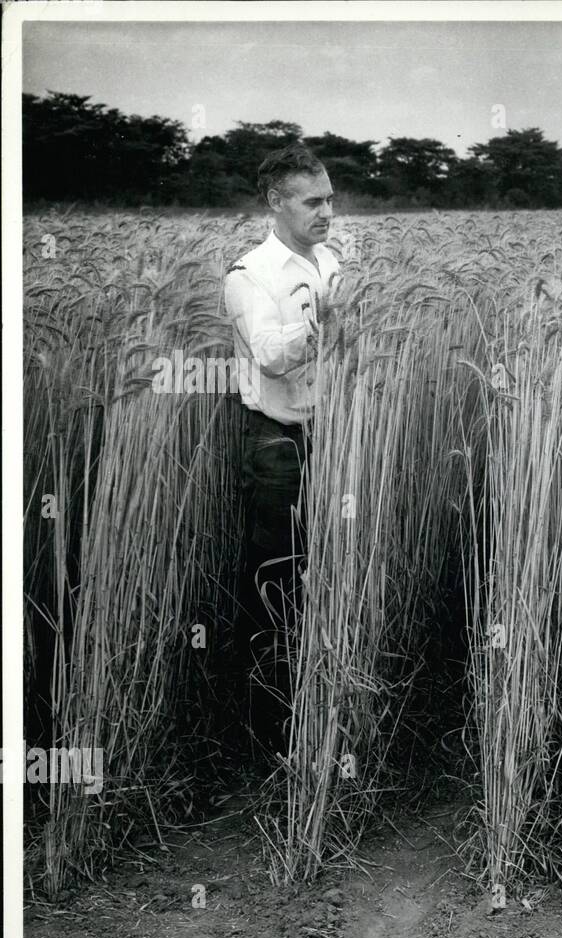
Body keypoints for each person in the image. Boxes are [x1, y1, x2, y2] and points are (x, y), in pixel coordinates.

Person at [223, 145, 341, 748]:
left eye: (329, 198)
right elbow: (268, 355)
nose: (326, 211)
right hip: (276, 444)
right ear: (276, 202)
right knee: (277, 578)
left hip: (336, 435)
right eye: (312, 200)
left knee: (328, 567)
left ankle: (326, 706)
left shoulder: (332, 264)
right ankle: (272, 731)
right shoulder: (249, 276)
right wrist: (324, 319)